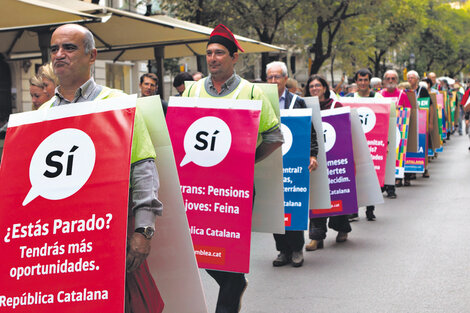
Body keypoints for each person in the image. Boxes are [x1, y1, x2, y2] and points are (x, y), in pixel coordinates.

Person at [43, 24, 164, 313]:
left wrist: (143, 231)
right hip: (61, 244)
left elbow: (143, 168)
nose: (59, 54)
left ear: (92, 55)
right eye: (54, 49)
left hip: (111, 237)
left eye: (69, 48)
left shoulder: (118, 105)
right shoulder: (41, 116)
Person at [183, 24, 283, 313]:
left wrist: (245, 160)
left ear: (234, 57)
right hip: (196, 188)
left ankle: (228, 299)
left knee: (226, 251)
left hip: (234, 190)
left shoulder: (250, 92)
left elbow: (275, 137)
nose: (213, 58)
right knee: (197, 251)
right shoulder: (192, 90)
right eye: (209, 53)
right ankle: (236, 282)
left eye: (220, 53)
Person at [266, 61, 318, 267]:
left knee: (293, 206)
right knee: (274, 207)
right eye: (269, 77)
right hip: (270, 162)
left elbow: (310, 132)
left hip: (294, 164)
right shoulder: (263, 102)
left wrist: (313, 155)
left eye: (276, 77)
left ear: (285, 79)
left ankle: (297, 248)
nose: (272, 81)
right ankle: (282, 250)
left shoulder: (297, 102)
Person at [303, 74, 351, 251]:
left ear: (324, 88)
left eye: (318, 85)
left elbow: (344, 131)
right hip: (315, 158)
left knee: (337, 196)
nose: (314, 89)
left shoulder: (335, 106)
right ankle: (316, 237)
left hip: (334, 156)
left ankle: (342, 228)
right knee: (316, 196)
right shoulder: (305, 106)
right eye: (311, 86)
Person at [346, 69, 382, 221]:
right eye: (360, 80)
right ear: (356, 81)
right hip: (355, 143)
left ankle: (370, 208)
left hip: (374, 143)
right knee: (354, 176)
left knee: (370, 175)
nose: (362, 83)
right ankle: (354, 209)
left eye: (365, 80)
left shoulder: (378, 98)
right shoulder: (348, 98)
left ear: (369, 81)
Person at [380, 69, 412, 199]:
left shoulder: (402, 95)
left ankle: (391, 188)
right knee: (383, 160)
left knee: (394, 159)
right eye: (388, 78)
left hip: (397, 132)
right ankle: (382, 185)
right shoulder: (379, 95)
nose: (391, 81)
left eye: (393, 78)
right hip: (382, 133)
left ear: (397, 81)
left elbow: (408, 112)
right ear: (384, 81)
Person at [407, 70, 431, 183]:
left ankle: (425, 168)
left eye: (412, 77)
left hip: (421, 121)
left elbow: (429, 106)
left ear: (417, 79)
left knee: (423, 144)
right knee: (410, 145)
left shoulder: (423, 90)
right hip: (410, 120)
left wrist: (430, 122)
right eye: (408, 78)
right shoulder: (406, 91)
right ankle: (410, 170)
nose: (410, 79)